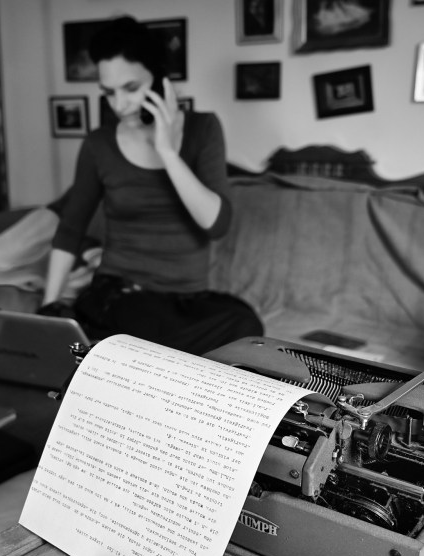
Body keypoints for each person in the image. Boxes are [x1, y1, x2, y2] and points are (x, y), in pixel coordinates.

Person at [38, 16, 264, 355]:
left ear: (159, 81)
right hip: (122, 294)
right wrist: (48, 310)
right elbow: (70, 231)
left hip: (185, 301)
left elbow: (217, 225)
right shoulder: (99, 144)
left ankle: (119, 350)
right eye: (109, 93)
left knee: (246, 326)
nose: (119, 105)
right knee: (144, 323)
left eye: (131, 88)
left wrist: (168, 152)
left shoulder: (203, 129)